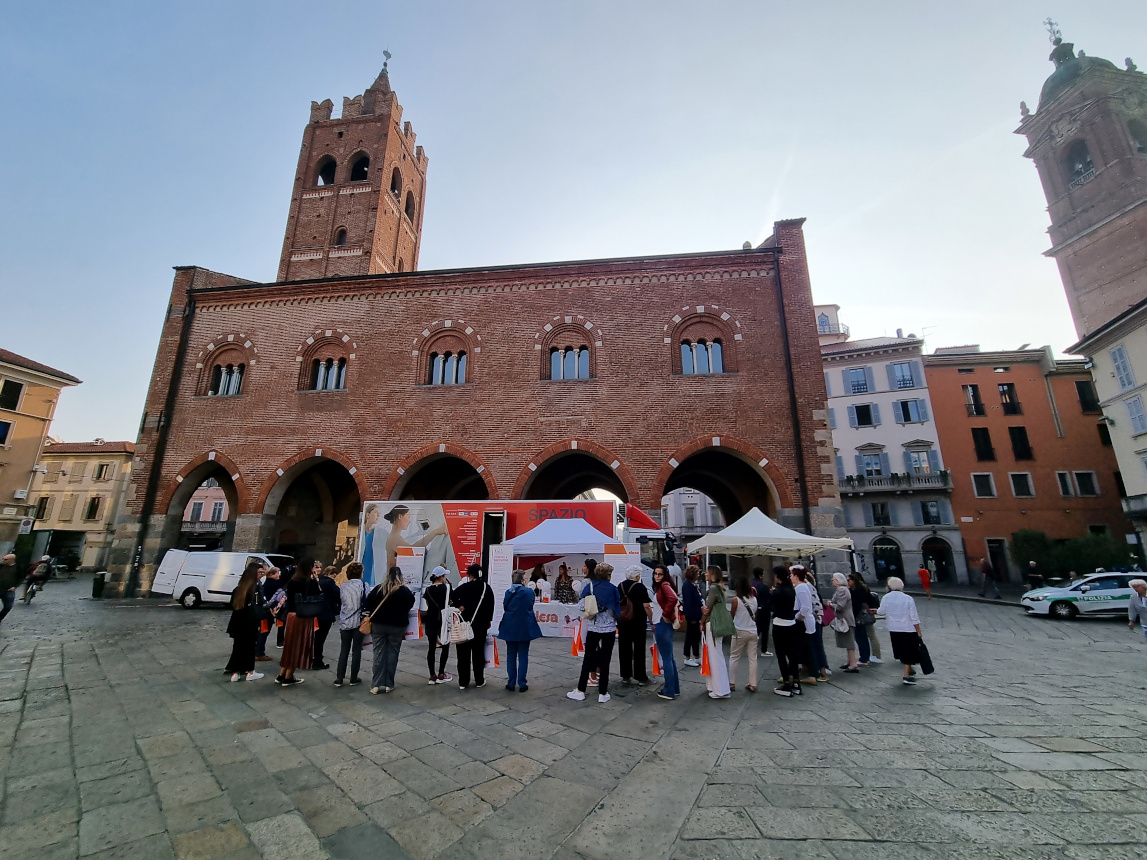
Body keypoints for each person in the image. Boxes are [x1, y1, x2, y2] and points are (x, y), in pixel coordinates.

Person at [568, 562, 621, 703]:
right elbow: (617, 609)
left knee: (588, 659)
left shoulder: (590, 587)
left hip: (593, 627)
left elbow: (580, 606)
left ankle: (580, 690)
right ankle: (603, 693)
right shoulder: (613, 589)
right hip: (609, 629)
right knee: (606, 660)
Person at [364, 566, 415, 693]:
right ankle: (389, 684)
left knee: (378, 653)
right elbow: (410, 604)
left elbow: (368, 602)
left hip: (379, 625)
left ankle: (376, 684)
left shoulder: (379, 589)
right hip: (397, 626)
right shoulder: (405, 591)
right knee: (393, 653)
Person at [277, 558, 322, 686]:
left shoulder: (292, 581)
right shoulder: (309, 582)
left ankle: (282, 674)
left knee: (289, 645)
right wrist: (315, 579)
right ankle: (289, 676)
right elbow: (318, 593)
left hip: (291, 615)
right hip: (303, 616)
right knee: (298, 646)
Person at [498, 569, 543, 691]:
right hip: (524, 626)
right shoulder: (529, 592)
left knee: (511, 654)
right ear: (523, 580)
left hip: (509, 625)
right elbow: (530, 605)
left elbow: (505, 606)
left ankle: (511, 682)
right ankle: (522, 683)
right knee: (523, 655)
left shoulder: (508, 592)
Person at [451, 564, 494, 690]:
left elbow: (452, 595)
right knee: (478, 653)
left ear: (470, 575)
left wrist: (459, 605)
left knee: (463, 654)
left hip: (464, 624)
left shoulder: (465, 587)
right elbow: (491, 605)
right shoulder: (487, 588)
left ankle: (463, 682)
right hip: (480, 626)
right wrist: (488, 621)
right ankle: (479, 680)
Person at [877, 577, 923, 685]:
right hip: (908, 628)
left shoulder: (886, 597)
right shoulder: (907, 598)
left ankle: (909, 670)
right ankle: (906, 676)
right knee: (909, 651)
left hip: (894, 628)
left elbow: (881, 611)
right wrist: (918, 631)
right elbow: (914, 616)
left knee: (901, 650)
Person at [225, 562, 264, 682]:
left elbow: (232, 605)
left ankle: (235, 673)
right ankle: (250, 672)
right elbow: (260, 604)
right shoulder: (255, 589)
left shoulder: (238, 589)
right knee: (250, 647)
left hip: (237, 622)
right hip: (250, 622)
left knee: (237, 647)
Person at [381, 505, 448, 574]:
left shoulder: (395, 537)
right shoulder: (394, 538)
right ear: (400, 516)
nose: (409, 521)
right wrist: (435, 532)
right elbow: (414, 551)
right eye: (408, 517)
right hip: (394, 580)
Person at [334, 562, 368, 687]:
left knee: (344, 650)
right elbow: (367, 601)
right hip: (358, 622)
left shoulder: (343, 586)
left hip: (344, 621)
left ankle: (339, 678)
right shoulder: (364, 585)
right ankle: (353, 677)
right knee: (356, 650)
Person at [617, 565, 652, 686]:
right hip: (638, 622)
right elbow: (646, 605)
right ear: (637, 576)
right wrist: (652, 621)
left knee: (624, 648)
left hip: (623, 621)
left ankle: (625, 675)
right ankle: (640, 676)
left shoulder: (620, 586)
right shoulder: (640, 587)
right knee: (639, 649)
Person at [701, 565, 732, 699]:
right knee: (716, 655)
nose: (705, 574)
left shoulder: (713, 588)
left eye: (707, 572)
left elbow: (707, 609)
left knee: (714, 656)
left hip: (711, 624)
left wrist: (701, 621)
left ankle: (719, 689)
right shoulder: (720, 587)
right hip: (717, 624)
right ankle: (718, 687)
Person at [771, 566, 802, 697]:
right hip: (791, 622)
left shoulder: (777, 591)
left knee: (781, 655)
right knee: (792, 654)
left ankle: (787, 684)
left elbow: (772, 607)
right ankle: (796, 683)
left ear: (778, 576)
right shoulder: (791, 589)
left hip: (780, 623)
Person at [651, 565, 680, 700]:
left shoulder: (664, 585)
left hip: (662, 624)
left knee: (667, 658)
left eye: (660, 574)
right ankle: (674, 688)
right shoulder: (663, 585)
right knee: (670, 657)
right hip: (663, 624)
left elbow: (673, 598)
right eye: (655, 573)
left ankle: (669, 690)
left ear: (665, 575)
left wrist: (665, 613)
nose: (657, 576)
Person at [420, 566, 453, 684]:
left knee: (431, 648)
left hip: (431, 619)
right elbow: (450, 601)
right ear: (441, 576)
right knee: (445, 646)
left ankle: (432, 675)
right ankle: (441, 673)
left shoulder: (428, 590)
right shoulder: (447, 588)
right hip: (443, 620)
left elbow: (428, 603)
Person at [728, 576, 759, 692]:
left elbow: (732, 614)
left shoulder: (736, 600)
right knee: (753, 658)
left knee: (734, 657)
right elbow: (755, 615)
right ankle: (753, 683)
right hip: (752, 630)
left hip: (739, 630)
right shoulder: (754, 599)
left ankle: (732, 683)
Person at [801, 569, 829, 684]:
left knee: (816, 646)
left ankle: (823, 671)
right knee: (811, 646)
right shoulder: (809, 587)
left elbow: (816, 606)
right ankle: (809, 667)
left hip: (814, 621)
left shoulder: (807, 587)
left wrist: (815, 616)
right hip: (813, 620)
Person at [829, 573, 860, 673]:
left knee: (849, 641)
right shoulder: (842, 589)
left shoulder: (842, 590)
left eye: (833, 579)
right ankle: (850, 661)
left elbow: (840, 606)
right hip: (844, 618)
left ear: (838, 580)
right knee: (848, 641)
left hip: (845, 619)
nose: (832, 581)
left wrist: (831, 604)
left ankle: (853, 664)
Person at [313, 564, 341, 670]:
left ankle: (313, 658)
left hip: (316, 612)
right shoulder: (330, 583)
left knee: (316, 638)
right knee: (321, 638)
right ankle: (317, 660)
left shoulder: (318, 581)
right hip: (326, 614)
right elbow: (338, 595)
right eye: (334, 575)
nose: (334, 576)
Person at [255, 566, 281, 661]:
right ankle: (259, 652)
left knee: (262, 631)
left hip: (265, 610)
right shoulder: (274, 584)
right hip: (268, 610)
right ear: (271, 574)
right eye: (277, 573)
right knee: (264, 631)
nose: (279, 575)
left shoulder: (265, 583)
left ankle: (257, 650)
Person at [848, 573, 875, 666]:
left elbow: (856, 606)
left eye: (849, 580)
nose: (848, 582)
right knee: (863, 637)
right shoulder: (861, 589)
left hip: (858, 617)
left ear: (853, 581)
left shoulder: (857, 591)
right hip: (862, 616)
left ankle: (864, 658)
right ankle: (865, 657)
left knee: (860, 637)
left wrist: (852, 616)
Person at [680, 565, 704, 666]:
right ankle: (687, 657)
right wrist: (691, 615)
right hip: (692, 615)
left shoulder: (693, 585)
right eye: (697, 573)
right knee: (690, 636)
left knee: (696, 636)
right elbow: (688, 602)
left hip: (697, 614)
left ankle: (696, 656)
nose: (698, 575)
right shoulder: (687, 586)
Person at [751, 567, 773, 657]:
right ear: (760, 575)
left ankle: (751, 647)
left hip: (754, 608)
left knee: (756, 629)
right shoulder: (763, 586)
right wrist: (771, 591)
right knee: (765, 630)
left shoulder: (751, 583)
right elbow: (768, 596)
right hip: (763, 609)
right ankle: (764, 650)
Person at [0, 553, 20, 629]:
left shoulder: (18, 567)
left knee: (8, 606)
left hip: (9, 590)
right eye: (3, 559)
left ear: (12, 560)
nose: (3, 560)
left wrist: (15, 586)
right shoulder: (1, 566)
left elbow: (21, 577)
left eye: (6, 559)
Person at [1128, 578, 1147, 644]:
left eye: (1138, 586)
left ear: (1144, 586)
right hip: (1145, 623)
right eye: (1134, 587)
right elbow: (1131, 609)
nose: (1136, 588)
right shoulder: (1133, 597)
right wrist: (1131, 621)